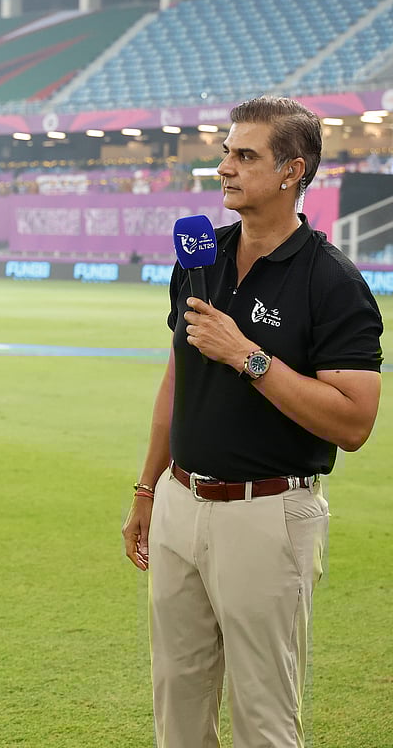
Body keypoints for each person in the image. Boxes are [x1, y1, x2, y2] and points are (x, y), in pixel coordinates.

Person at [122, 96, 383, 748]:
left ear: (292, 171)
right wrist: (149, 487)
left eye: (245, 155)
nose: (223, 168)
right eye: (224, 153)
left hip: (268, 513)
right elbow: (178, 376)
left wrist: (248, 356)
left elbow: (354, 422)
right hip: (182, 502)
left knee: (264, 721)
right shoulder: (198, 255)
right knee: (177, 709)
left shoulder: (333, 281)